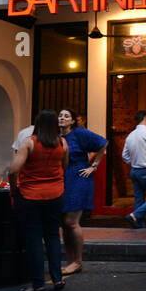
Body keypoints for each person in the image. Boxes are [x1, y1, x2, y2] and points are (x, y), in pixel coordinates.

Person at [10, 109, 68, 291]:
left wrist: (13, 190)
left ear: (38, 123)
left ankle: (38, 284)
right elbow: (64, 165)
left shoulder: (29, 143)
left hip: (30, 195)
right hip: (56, 194)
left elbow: (13, 170)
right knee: (52, 235)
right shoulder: (62, 142)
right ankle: (57, 279)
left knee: (34, 238)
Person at [58, 108, 107, 274]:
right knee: (64, 223)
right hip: (64, 179)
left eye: (66, 116)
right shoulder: (58, 137)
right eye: (60, 115)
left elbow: (103, 143)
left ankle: (77, 261)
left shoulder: (79, 133)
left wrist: (93, 166)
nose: (62, 118)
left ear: (72, 121)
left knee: (72, 222)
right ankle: (70, 260)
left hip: (79, 177)